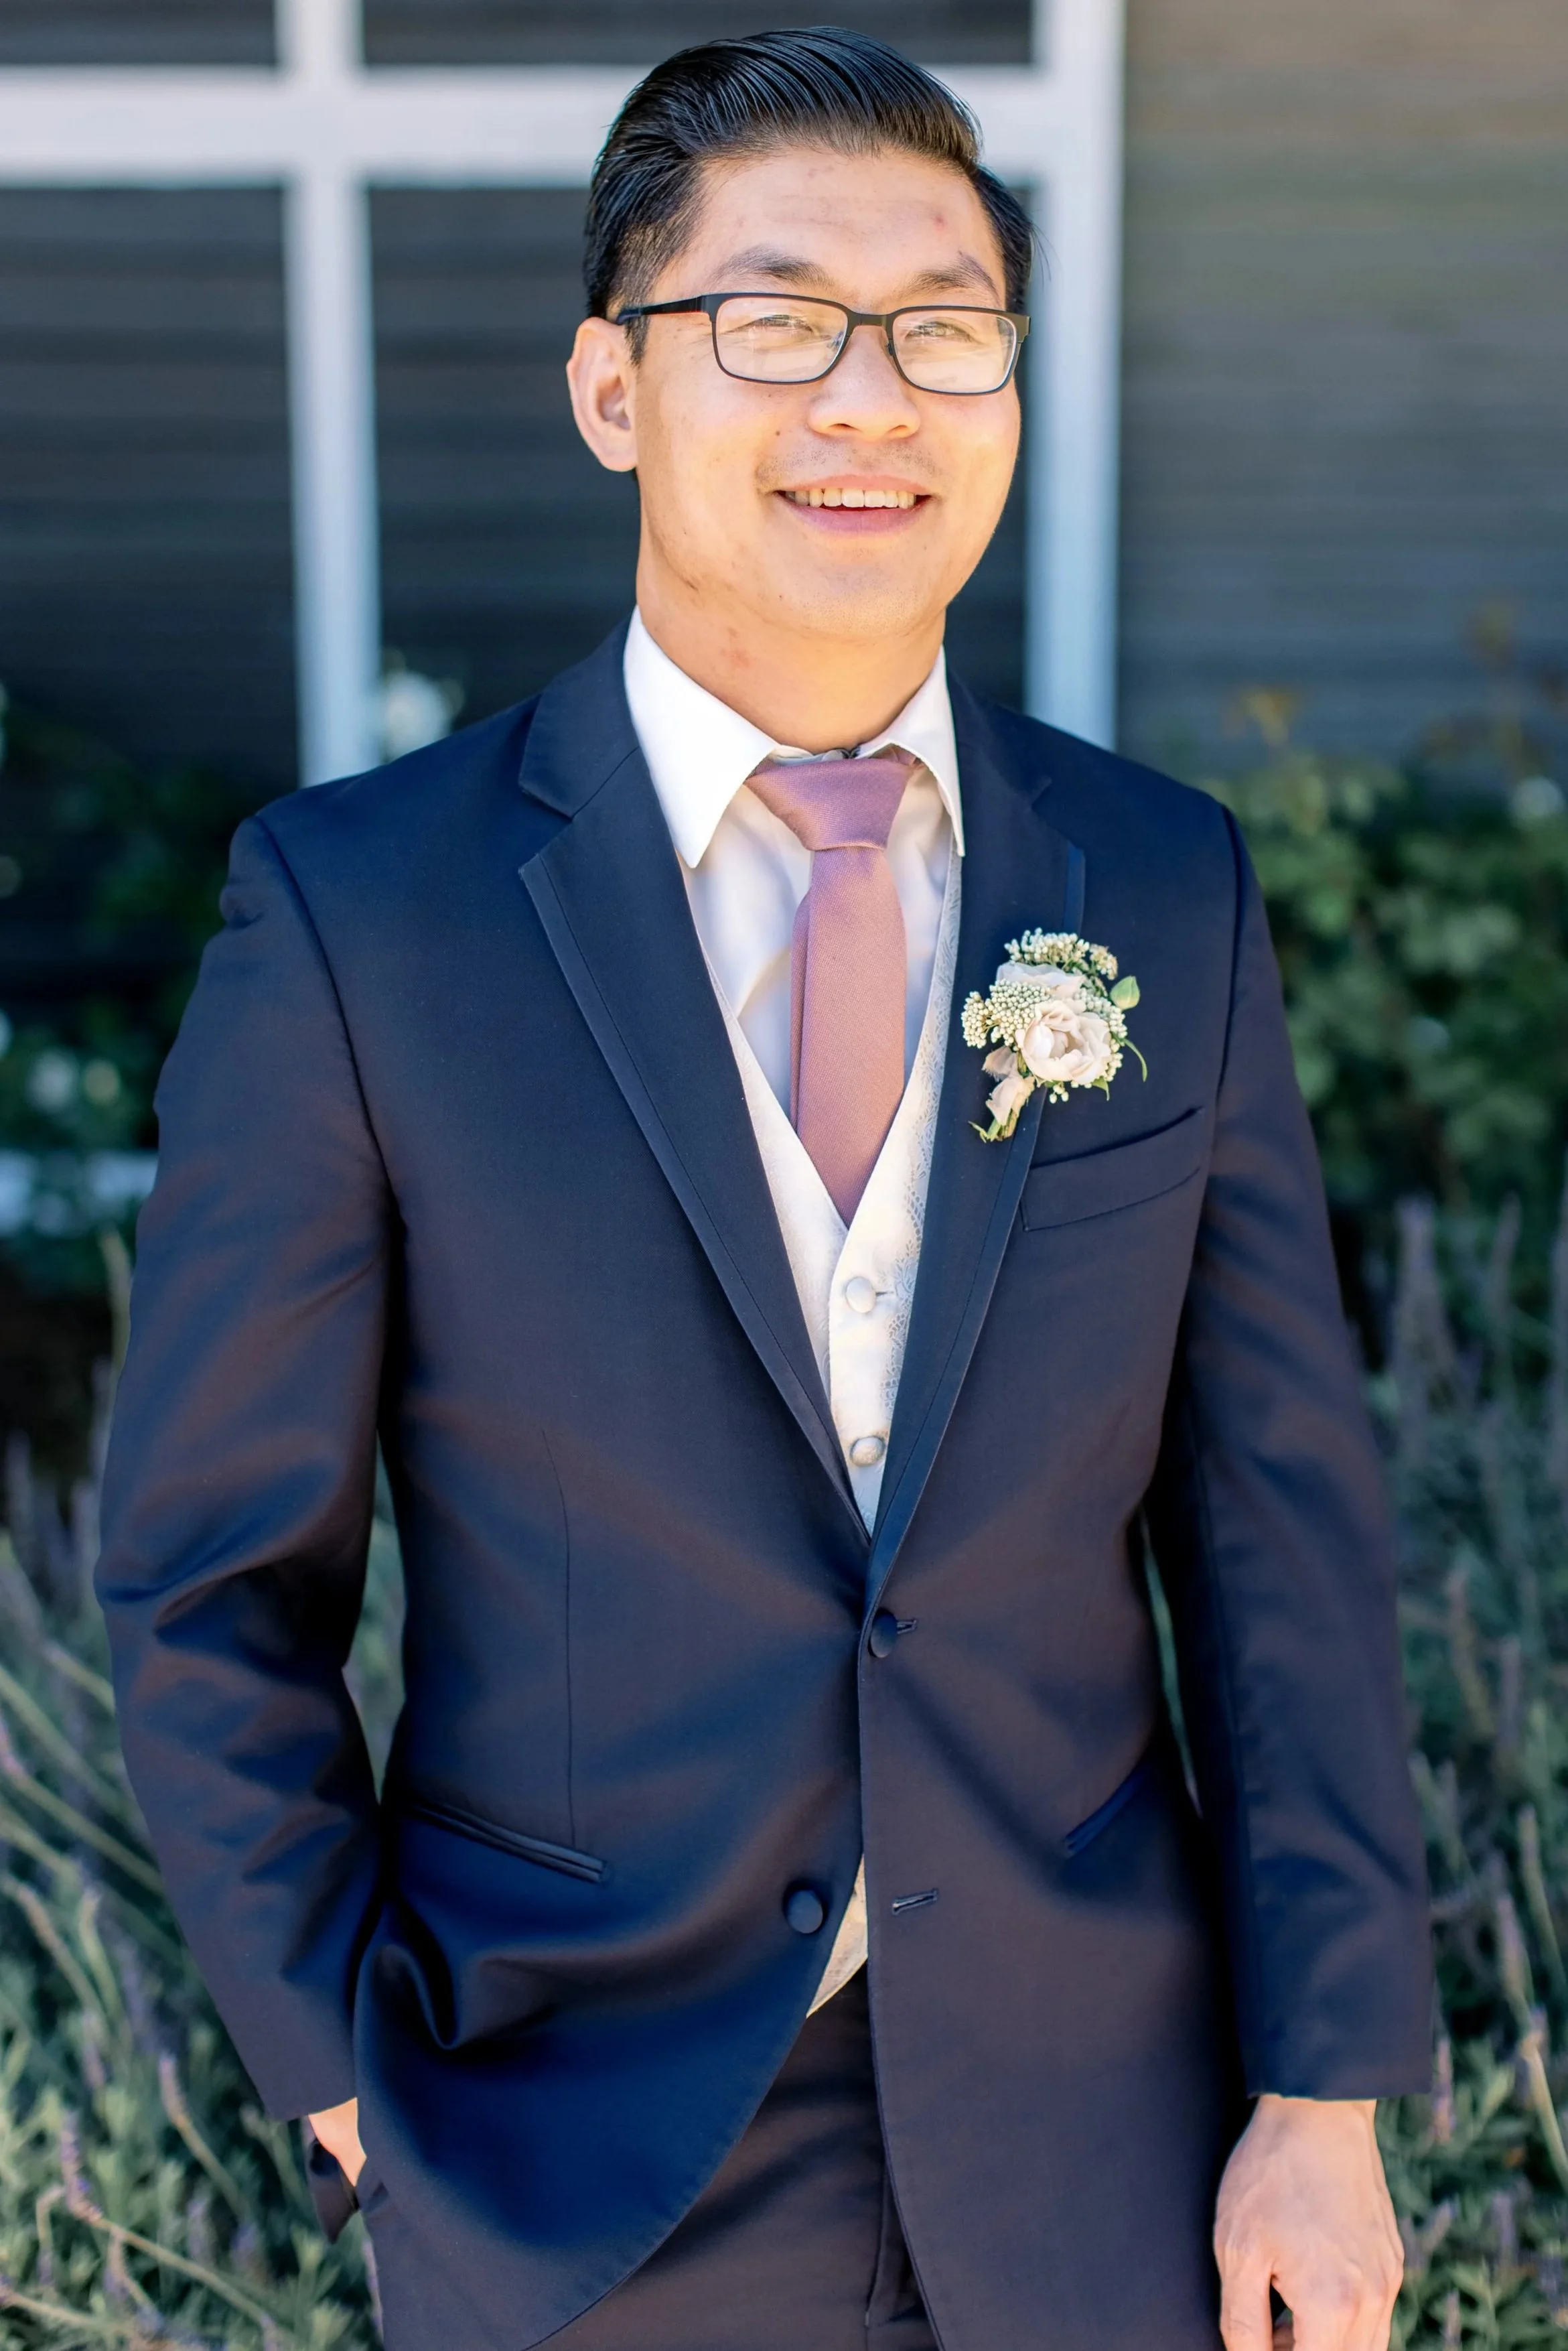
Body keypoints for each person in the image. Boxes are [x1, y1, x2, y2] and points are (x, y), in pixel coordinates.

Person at [96, 27, 1432, 2351]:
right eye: (776, 319)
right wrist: (338, 2069)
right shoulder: (361, 917)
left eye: (944, 329)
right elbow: (214, 1575)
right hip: (569, 2148)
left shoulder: (1157, 885)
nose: (870, 399)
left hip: (1096, 2143)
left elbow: (1275, 1526)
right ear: (616, 387)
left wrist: (1324, 2085)